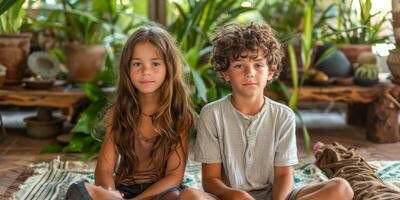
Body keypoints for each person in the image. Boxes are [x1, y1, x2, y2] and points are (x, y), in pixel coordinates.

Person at [194, 22, 354, 200]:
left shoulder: (283, 116)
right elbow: (210, 180)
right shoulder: (211, 114)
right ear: (225, 73)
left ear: (270, 72)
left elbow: (283, 175)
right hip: (229, 198)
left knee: (341, 188)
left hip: (277, 196)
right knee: (189, 196)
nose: (250, 73)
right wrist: (237, 195)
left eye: (258, 65)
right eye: (239, 65)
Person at [66, 26, 194, 200]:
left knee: (182, 196)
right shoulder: (118, 113)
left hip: (162, 192)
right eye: (137, 64)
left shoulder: (179, 116)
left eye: (155, 64)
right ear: (127, 68)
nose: (146, 71)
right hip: (124, 190)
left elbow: (174, 177)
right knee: (80, 189)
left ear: (169, 67)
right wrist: (110, 192)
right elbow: (104, 169)